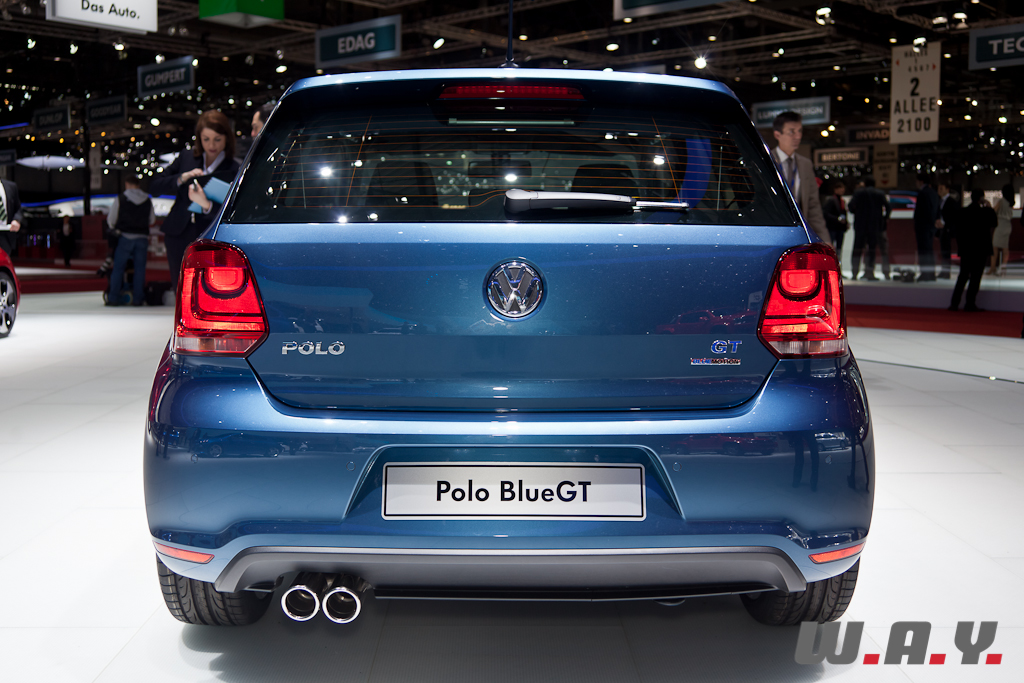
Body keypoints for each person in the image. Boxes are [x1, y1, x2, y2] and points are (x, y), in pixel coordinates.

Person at [150, 111, 241, 290]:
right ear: (199, 138)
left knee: (207, 290)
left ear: (227, 139)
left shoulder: (234, 168)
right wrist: (182, 178)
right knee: (180, 289)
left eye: (217, 139)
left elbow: (233, 209)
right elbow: (154, 187)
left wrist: (206, 205)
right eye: (206, 139)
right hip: (178, 234)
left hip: (210, 236)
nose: (211, 145)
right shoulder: (187, 157)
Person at [771, 111, 831, 247]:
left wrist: (824, 238)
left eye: (799, 131)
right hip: (775, 233)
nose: (797, 136)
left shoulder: (805, 164)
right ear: (777, 135)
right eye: (791, 132)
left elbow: (813, 205)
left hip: (800, 235)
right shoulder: (767, 162)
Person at [105, 175, 155, 306]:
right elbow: (152, 220)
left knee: (118, 268)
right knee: (140, 269)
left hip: (125, 237)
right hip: (142, 238)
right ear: (138, 185)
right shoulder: (147, 200)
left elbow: (111, 219)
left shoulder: (121, 198)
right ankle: (138, 298)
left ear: (127, 184)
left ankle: (113, 298)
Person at [949, 188, 996, 311]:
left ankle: (954, 303)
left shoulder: (963, 212)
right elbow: (994, 223)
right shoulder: (985, 212)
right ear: (981, 198)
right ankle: (970, 303)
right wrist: (989, 207)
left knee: (963, 276)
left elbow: (957, 230)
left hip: (966, 250)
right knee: (975, 277)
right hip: (980, 250)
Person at [848, 176, 890, 280]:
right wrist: (883, 219)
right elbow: (888, 207)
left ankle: (854, 273)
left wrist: (857, 213)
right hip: (874, 225)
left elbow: (850, 206)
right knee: (871, 250)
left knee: (857, 249)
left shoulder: (858, 193)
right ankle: (870, 272)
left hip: (860, 225)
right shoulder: (879, 193)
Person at [913, 172, 941, 281]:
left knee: (923, 251)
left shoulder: (922, 193)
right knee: (929, 250)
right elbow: (937, 210)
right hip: (931, 227)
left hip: (923, 227)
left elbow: (922, 211)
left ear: (921, 181)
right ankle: (931, 274)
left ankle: (925, 274)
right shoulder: (934, 193)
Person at [989, 184, 1015, 277]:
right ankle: (1003, 268)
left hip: (1000, 225)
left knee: (994, 247)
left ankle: (993, 267)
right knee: (1005, 248)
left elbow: (993, 211)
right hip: (1008, 226)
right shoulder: (1011, 202)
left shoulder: (1001, 201)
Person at [935, 179, 959, 279]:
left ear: (947, 189)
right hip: (941, 230)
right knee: (943, 251)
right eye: (938, 189)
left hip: (948, 230)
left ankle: (946, 272)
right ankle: (943, 271)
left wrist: (944, 223)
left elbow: (954, 217)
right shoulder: (939, 201)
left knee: (946, 251)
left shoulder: (952, 202)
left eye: (941, 188)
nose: (939, 190)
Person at [822, 180, 848, 264]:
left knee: (839, 247)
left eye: (842, 188)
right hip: (833, 227)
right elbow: (826, 213)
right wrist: (837, 219)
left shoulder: (842, 201)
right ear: (835, 189)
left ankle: (838, 263)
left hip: (840, 228)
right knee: (831, 246)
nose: (842, 190)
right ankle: (830, 263)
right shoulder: (831, 200)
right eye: (840, 188)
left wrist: (846, 223)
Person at [0, 177, 23, 256]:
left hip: (6, 234)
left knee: (4, 262)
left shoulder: (11, 186)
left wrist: (17, 220)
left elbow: (18, 208)